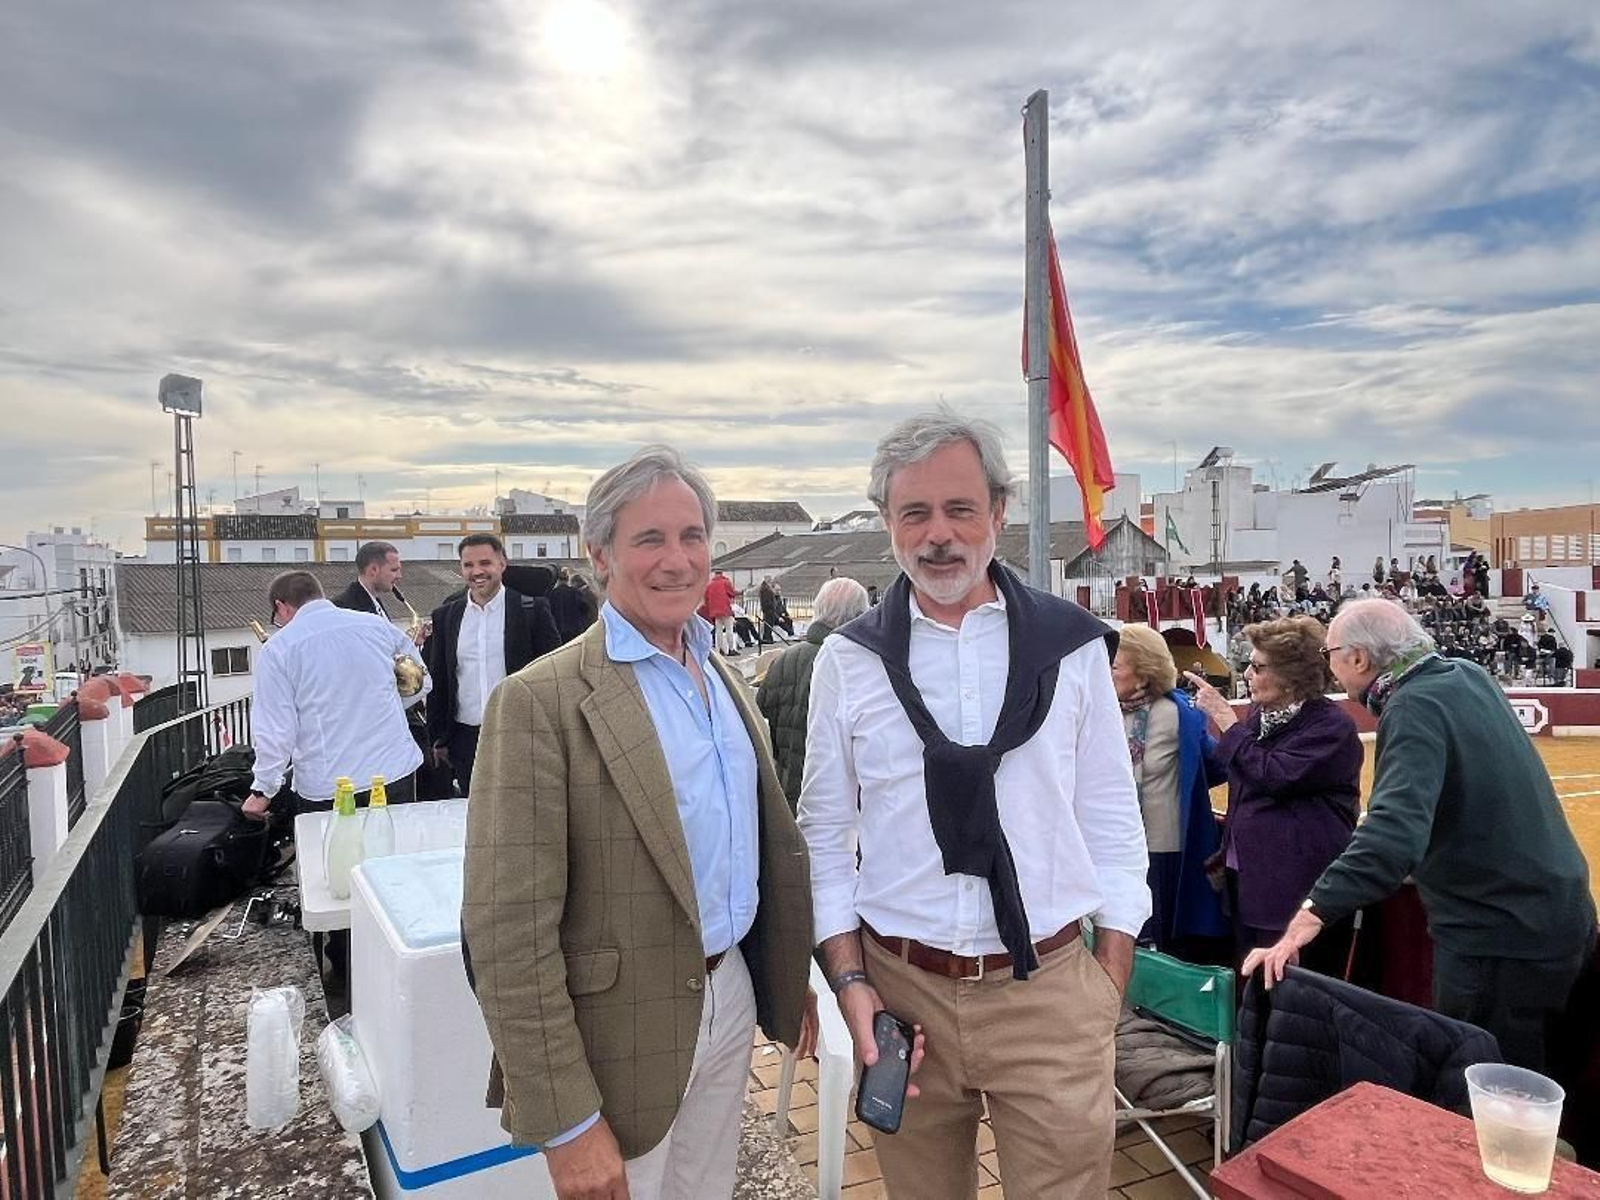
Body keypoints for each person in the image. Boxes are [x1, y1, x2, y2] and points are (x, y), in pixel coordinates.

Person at [799, 412, 1148, 1198]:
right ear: (886, 521)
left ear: (998, 511)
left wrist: (1110, 972)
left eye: (960, 509)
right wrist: (850, 983)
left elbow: (1110, 816)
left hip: (1050, 991)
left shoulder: (1070, 647)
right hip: (901, 994)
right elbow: (823, 834)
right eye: (914, 513)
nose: (938, 536)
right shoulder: (849, 662)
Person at [460, 446, 816, 1200]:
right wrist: (566, 1123)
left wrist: (785, 970)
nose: (677, 560)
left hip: (729, 995)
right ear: (600, 554)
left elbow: (741, 845)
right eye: (649, 539)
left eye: (692, 536)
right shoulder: (539, 701)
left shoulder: (721, 676)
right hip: (614, 1036)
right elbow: (505, 931)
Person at [1244, 599, 1597, 1072]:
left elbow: (1393, 836)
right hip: (1564, 915)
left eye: (1330, 654)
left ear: (1358, 658)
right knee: (1548, 1080)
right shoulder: (1467, 675)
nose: (1329, 670)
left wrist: (1308, 917)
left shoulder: (1412, 705)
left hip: (1496, 938)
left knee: (1489, 1086)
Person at [1184, 617, 1362, 977]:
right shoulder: (1260, 718)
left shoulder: (1330, 727)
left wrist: (1225, 718)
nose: (1247, 674)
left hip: (1296, 893)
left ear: (1291, 677)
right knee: (1252, 986)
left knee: (1293, 990)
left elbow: (1275, 776)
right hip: (1249, 886)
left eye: (1258, 667)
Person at [243, 570, 428, 817]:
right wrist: (386, 704)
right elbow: (421, 683)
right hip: (393, 770)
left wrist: (263, 791)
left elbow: (276, 730)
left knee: (337, 843)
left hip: (328, 784)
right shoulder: (376, 625)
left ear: (281, 606)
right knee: (394, 841)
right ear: (319, 595)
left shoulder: (278, 650)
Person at [1111, 625, 1227, 956]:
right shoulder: (1100, 712)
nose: (1106, 672)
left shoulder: (1179, 715)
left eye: (1115, 665)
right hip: (1112, 846)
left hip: (1162, 849)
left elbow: (1215, 764)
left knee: (1159, 941)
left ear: (1143, 673)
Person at [425, 534, 561, 796]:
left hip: (522, 735)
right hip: (465, 739)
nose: (477, 572)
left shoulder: (532, 610)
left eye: (485, 563)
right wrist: (438, 737)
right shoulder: (446, 616)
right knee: (475, 809)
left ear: (502, 564)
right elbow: (439, 679)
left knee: (523, 807)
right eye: (468, 565)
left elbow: (554, 676)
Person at [756, 576, 868, 809]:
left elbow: (762, 724)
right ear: (860, 615)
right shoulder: (858, 665)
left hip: (789, 791)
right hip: (838, 799)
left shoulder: (784, 660)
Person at [332, 540, 404, 616]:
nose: (399, 576)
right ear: (373, 569)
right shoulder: (342, 608)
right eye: (394, 570)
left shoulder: (374, 601)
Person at [703, 568, 739, 657]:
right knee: (729, 629)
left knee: (718, 631)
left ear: (715, 574)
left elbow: (706, 598)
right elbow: (732, 593)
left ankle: (719, 650)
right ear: (722, 573)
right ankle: (731, 649)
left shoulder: (709, 585)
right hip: (725, 610)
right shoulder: (725, 582)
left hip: (715, 611)